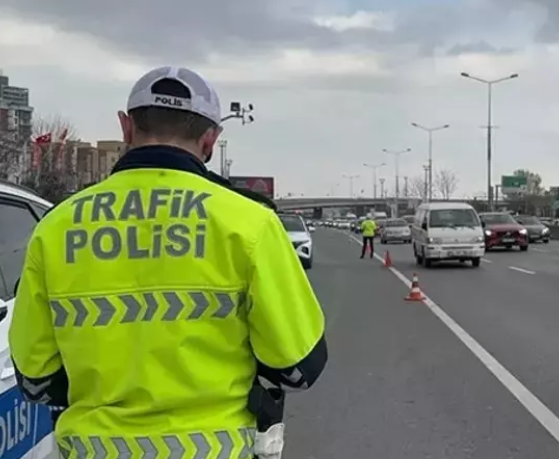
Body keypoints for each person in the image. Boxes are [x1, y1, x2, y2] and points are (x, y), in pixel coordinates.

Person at [9, 66, 327, 459]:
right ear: (210, 139)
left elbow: (36, 377)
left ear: (126, 127)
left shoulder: (56, 227)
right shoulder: (250, 223)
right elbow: (300, 365)